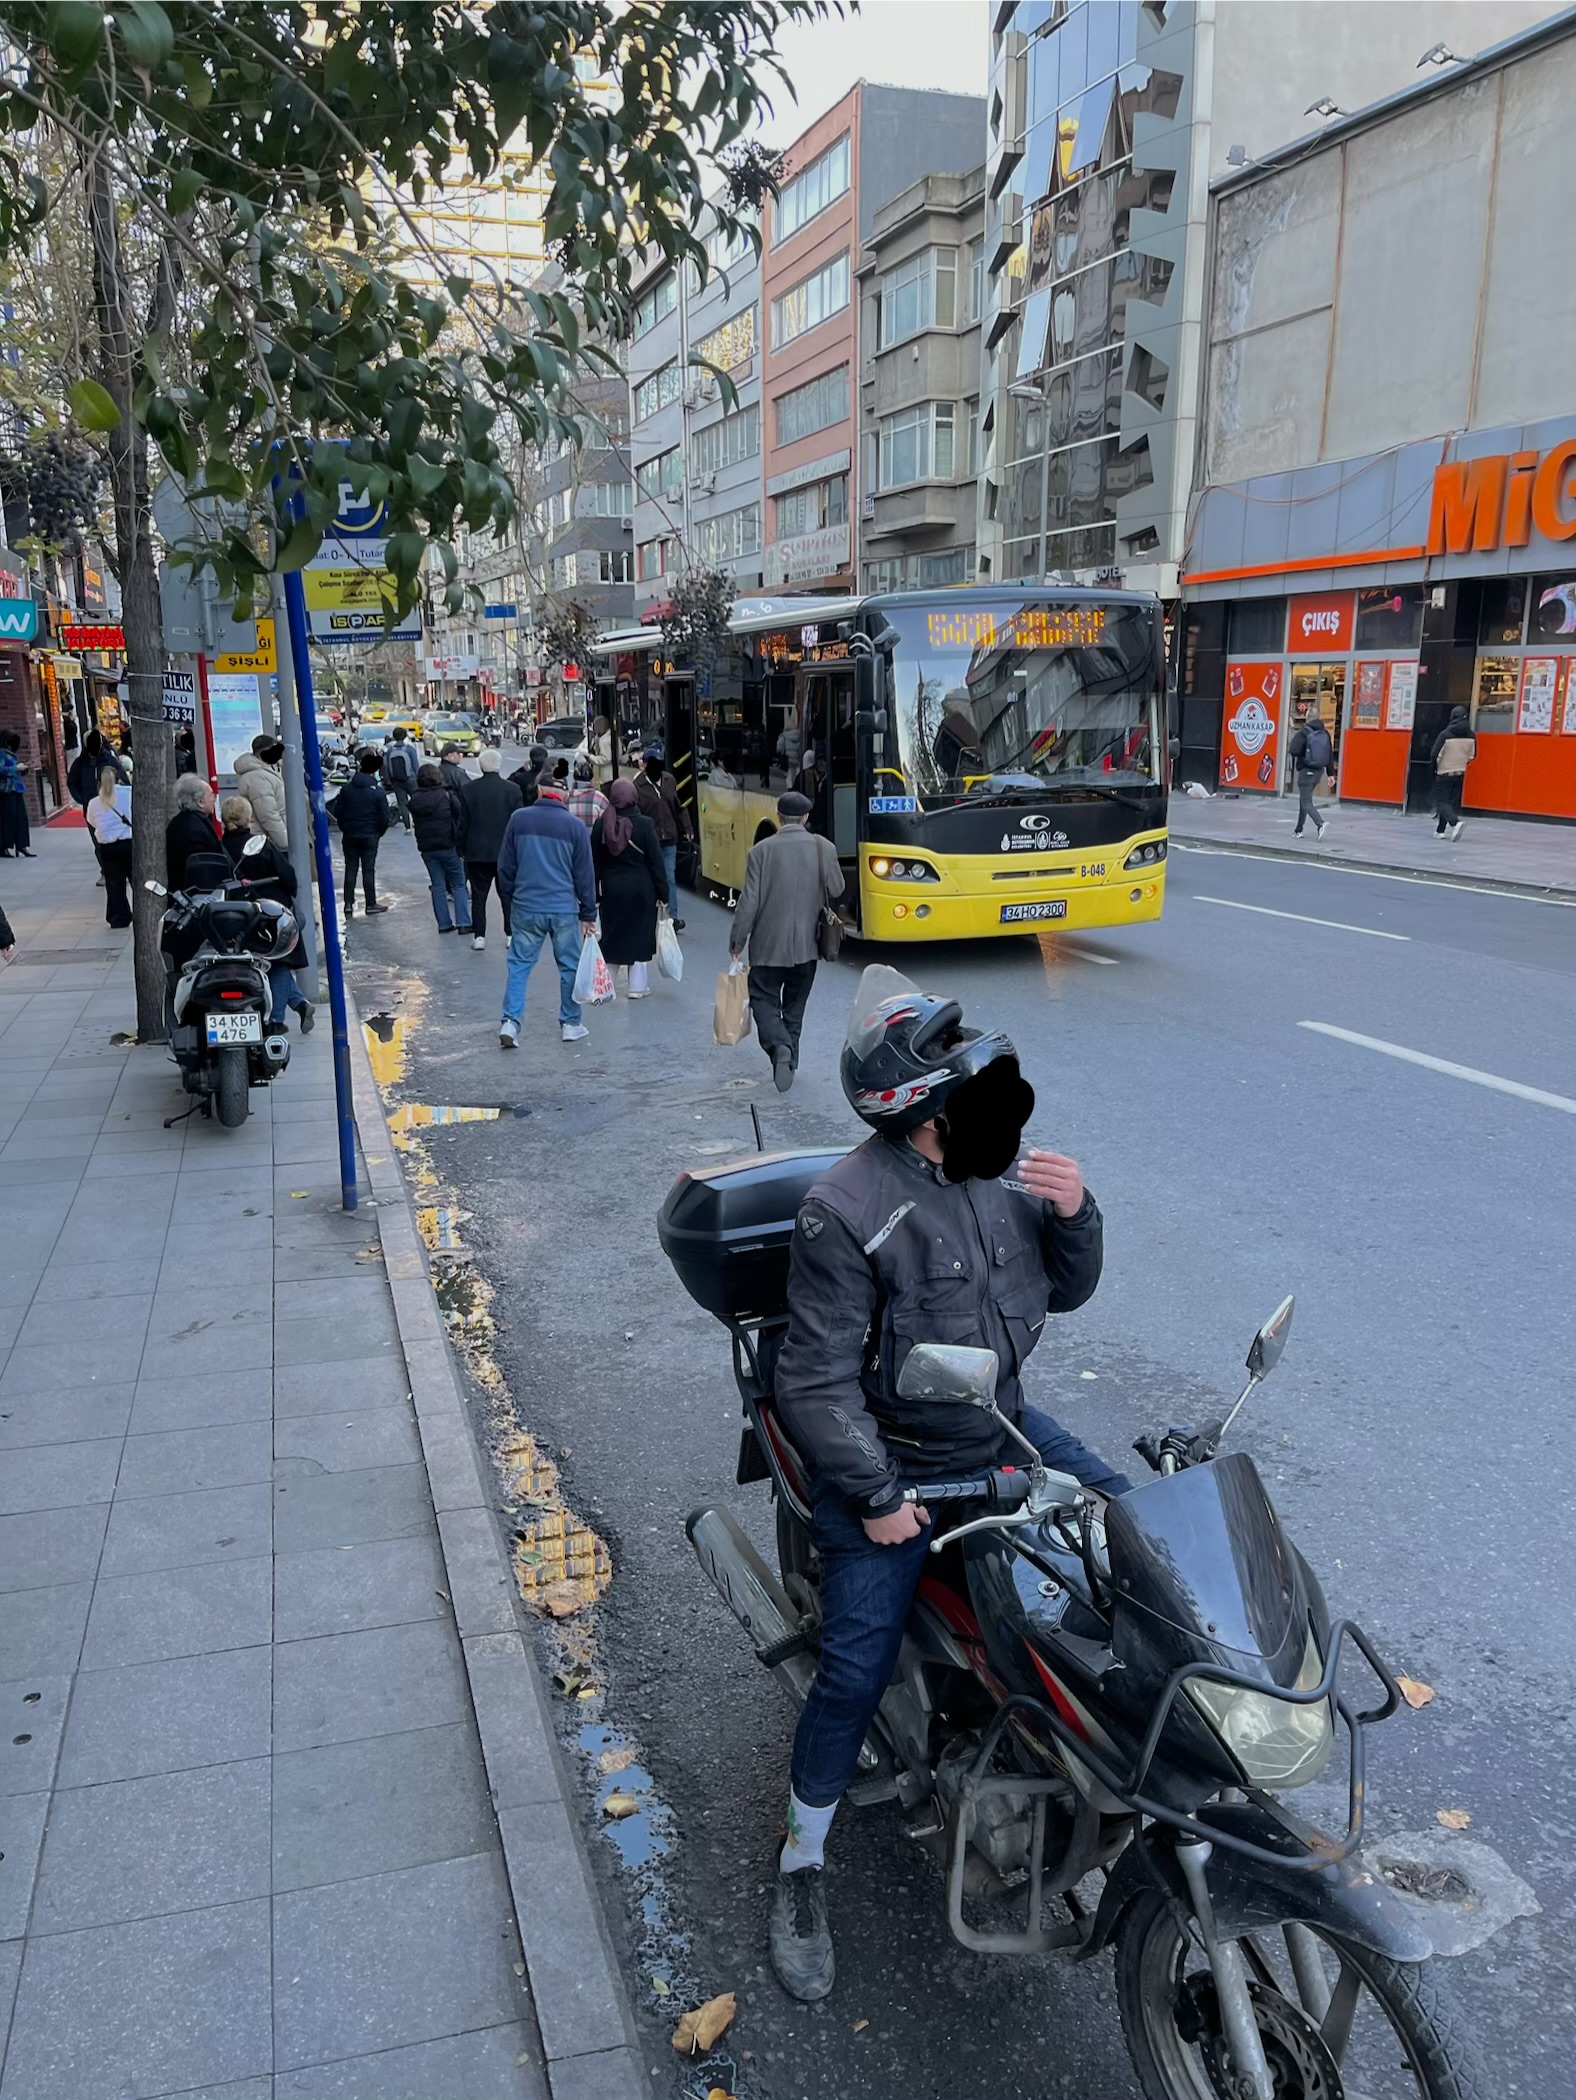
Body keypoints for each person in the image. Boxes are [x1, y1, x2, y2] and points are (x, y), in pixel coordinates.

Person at [765, 969, 1125, 2000]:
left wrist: (1076, 1213)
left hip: (999, 1425)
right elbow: (814, 1380)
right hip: (894, 1458)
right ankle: (799, 1862)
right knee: (853, 1668)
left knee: (1139, 1530)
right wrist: (879, 1498)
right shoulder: (844, 1209)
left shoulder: (1000, 1179)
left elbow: (1065, 1289)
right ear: (921, 1110)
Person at [728, 791, 843, 1093]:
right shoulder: (824, 847)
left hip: (767, 948)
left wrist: (737, 942)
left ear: (778, 817)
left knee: (763, 999)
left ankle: (780, 1048)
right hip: (808, 947)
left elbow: (748, 903)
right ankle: (790, 1062)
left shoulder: (760, 852)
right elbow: (837, 888)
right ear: (806, 817)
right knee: (795, 1007)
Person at [496, 768, 597, 1047]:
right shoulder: (575, 827)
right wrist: (589, 913)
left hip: (526, 906)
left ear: (539, 791)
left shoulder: (519, 819)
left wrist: (510, 899)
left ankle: (510, 1022)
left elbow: (505, 867)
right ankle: (571, 1024)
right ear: (564, 796)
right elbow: (584, 875)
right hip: (564, 908)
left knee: (519, 965)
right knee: (569, 967)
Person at [219, 794, 314, 1033]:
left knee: (256, 964)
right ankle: (275, 1021)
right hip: (272, 913)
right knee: (279, 964)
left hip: (236, 915)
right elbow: (288, 876)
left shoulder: (219, 848)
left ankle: (300, 1004)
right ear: (247, 817)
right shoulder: (260, 844)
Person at [590, 777, 669, 999]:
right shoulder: (645, 824)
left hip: (612, 890)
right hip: (642, 890)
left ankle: (606, 985)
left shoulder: (601, 825)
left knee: (613, 935)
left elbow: (594, 863)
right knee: (640, 935)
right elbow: (656, 862)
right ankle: (637, 987)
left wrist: (594, 895)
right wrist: (663, 894)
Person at [461, 747, 523, 951]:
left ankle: (479, 936)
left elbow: (463, 823)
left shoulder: (468, 790)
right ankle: (510, 934)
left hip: (476, 851)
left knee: (478, 897)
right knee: (507, 895)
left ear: (480, 766)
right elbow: (517, 824)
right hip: (506, 852)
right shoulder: (513, 790)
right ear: (499, 765)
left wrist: (461, 849)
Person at [634, 742, 691, 932]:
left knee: (669, 878)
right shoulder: (638, 785)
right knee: (650, 879)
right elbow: (637, 814)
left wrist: (686, 828)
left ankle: (671, 918)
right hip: (651, 840)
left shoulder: (669, 780)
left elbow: (677, 806)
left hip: (669, 839)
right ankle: (649, 917)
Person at [410, 761, 471, 933]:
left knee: (437, 885)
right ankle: (463, 922)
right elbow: (460, 816)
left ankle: (444, 923)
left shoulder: (415, 799)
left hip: (427, 847)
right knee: (458, 884)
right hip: (449, 844)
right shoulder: (446, 795)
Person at [330, 748, 391, 919]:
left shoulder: (347, 789)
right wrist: (377, 832)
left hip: (350, 834)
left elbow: (338, 812)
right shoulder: (377, 791)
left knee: (350, 868)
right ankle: (370, 903)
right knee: (368, 870)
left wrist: (345, 827)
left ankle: (348, 904)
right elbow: (384, 817)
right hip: (369, 834)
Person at [84, 763, 134, 926]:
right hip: (129, 843)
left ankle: (118, 917)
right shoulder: (130, 793)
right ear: (119, 778)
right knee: (136, 880)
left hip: (108, 847)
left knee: (114, 884)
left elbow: (92, 821)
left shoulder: (94, 802)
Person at [165, 773, 222, 889]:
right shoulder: (195, 830)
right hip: (197, 892)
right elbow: (202, 869)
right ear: (200, 802)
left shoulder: (179, 822)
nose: (214, 799)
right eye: (211, 795)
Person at [233, 734, 289, 851]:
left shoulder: (266, 771)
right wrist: (285, 841)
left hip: (266, 839)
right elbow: (268, 815)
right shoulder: (258, 778)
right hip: (268, 842)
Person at [1287, 707, 1334, 840]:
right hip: (1319, 772)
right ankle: (1298, 830)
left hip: (1306, 771)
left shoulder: (1304, 732)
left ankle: (1320, 824)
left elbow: (1294, 750)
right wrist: (1331, 774)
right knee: (1305, 799)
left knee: (1306, 801)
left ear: (1307, 718)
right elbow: (1329, 754)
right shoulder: (1325, 733)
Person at [1431, 705, 1475, 839]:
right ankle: (1440, 831)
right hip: (1460, 772)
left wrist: (1435, 768)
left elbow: (1434, 754)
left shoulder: (1445, 734)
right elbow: (1472, 755)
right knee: (1448, 802)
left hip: (1444, 772)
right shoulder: (1471, 735)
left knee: (1440, 802)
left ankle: (1455, 823)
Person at [0, 729, 31, 857]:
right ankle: (4, 847)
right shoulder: (1, 753)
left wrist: (24, 768)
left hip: (17, 788)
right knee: (8, 820)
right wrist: (15, 768)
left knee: (21, 819)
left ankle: (21, 845)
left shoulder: (12, 753)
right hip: (6, 791)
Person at [382, 726, 418, 829]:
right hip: (411, 780)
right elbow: (415, 765)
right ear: (405, 736)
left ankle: (407, 827)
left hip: (397, 781)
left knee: (402, 803)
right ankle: (417, 822)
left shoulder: (390, 750)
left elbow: (386, 767)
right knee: (416, 801)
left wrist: (389, 779)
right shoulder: (410, 749)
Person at [566, 754, 608, 831]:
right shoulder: (600, 798)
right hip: (593, 838)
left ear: (574, 778)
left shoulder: (565, 798)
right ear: (592, 779)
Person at [590, 713, 614, 786]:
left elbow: (605, 758)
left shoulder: (604, 741)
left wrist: (591, 758)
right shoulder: (612, 736)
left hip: (607, 775)